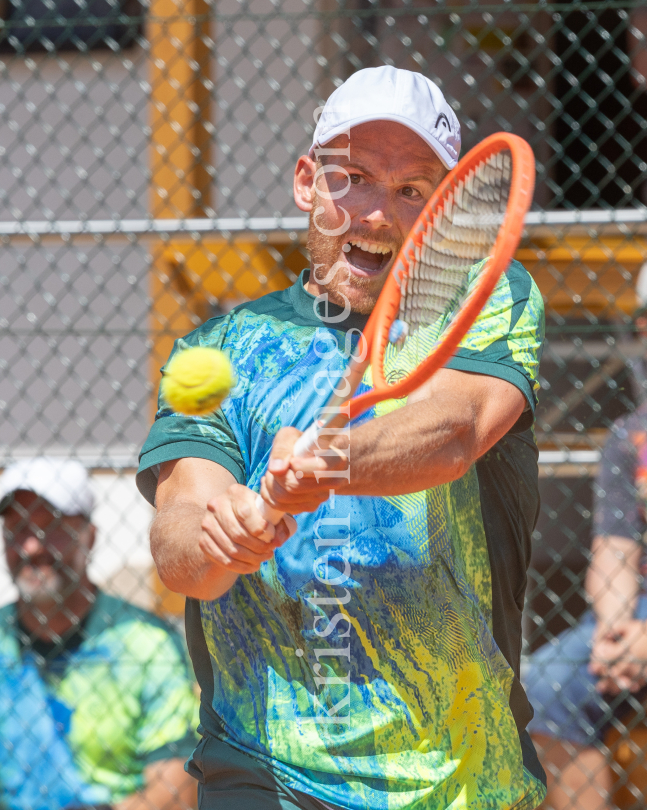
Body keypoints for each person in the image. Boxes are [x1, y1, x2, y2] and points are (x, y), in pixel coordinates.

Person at [137, 65, 547, 810]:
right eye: (352, 178)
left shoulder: (493, 295)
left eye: (413, 189)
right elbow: (179, 550)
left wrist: (330, 460)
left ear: (447, 211)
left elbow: (454, 429)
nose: (378, 214)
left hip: (459, 782)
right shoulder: (219, 349)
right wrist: (222, 533)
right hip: (262, 774)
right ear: (306, 183)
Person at [0, 457, 199, 810]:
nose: (31, 547)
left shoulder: (143, 643)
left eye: (49, 528)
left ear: (89, 537)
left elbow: (177, 787)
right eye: (18, 530)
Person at [525, 303, 647, 810]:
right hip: (638, 610)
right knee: (540, 688)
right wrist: (615, 628)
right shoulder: (630, 437)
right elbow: (614, 551)